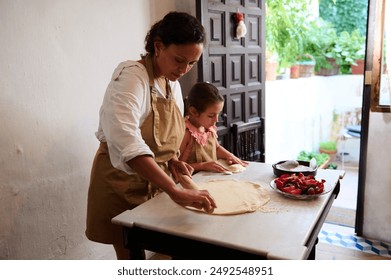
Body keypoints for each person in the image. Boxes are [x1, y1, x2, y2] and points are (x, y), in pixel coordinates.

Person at [85, 12, 216, 260]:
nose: (184, 70)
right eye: (179, 60)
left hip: (155, 182)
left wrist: (174, 159)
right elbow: (127, 141)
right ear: (158, 46)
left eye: (191, 63)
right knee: (131, 256)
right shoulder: (132, 77)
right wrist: (174, 190)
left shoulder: (171, 83)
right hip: (121, 183)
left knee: (168, 248)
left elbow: (166, 137)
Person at [179, 82, 248, 173]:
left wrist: (229, 155)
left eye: (218, 114)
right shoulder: (185, 132)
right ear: (193, 111)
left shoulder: (209, 128)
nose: (216, 119)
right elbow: (177, 165)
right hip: (192, 181)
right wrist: (202, 166)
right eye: (211, 115)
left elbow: (216, 147)